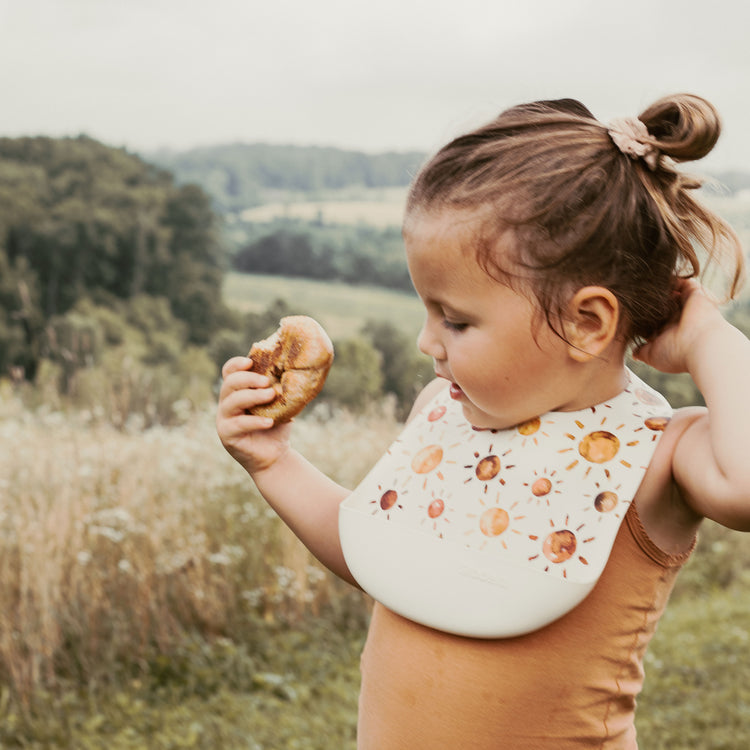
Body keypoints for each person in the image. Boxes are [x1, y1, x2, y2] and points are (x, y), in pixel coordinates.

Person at [216, 93, 749, 749]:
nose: (425, 342)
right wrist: (273, 461)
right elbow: (383, 557)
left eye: (456, 320)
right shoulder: (440, 414)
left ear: (586, 323)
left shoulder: (661, 455)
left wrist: (706, 337)